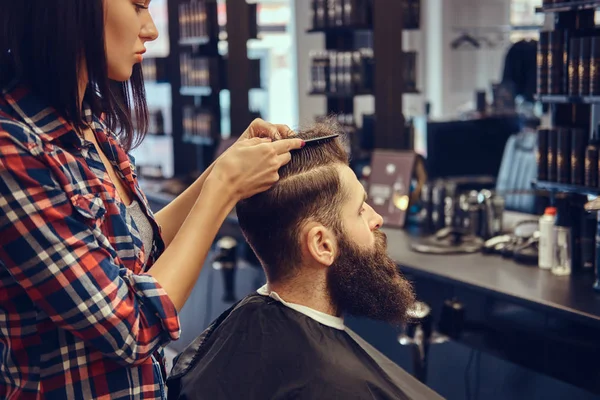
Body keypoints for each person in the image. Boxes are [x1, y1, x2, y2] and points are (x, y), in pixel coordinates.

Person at [0, 1, 303, 399]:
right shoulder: (14, 153)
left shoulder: (89, 128)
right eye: (138, 6)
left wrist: (222, 168)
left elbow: (137, 248)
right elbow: (130, 326)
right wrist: (223, 188)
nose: (151, 30)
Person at [167, 123, 443, 400]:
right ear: (322, 245)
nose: (377, 219)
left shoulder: (226, 343)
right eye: (360, 210)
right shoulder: (337, 386)